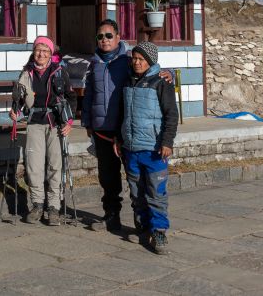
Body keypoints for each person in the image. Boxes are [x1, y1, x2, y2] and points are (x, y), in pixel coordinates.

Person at [82, 19, 173, 231]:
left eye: (108, 35)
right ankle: (111, 216)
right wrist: (87, 120)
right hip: (102, 129)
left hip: (126, 130)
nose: (104, 40)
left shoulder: (127, 60)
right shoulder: (94, 63)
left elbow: (150, 72)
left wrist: (168, 72)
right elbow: (88, 95)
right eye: (100, 36)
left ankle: (144, 224)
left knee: (137, 180)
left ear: (118, 37)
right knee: (108, 177)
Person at [118, 42, 178, 254]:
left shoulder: (162, 82)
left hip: (154, 149)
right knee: (136, 191)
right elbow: (121, 114)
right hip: (131, 148)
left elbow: (172, 115)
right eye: (134, 58)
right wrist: (120, 139)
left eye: (141, 59)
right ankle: (143, 227)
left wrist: (167, 142)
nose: (136, 62)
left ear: (150, 61)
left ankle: (159, 231)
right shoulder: (127, 82)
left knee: (156, 192)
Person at [11, 36, 73, 225]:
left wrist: (69, 122)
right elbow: (19, 100)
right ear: (33, 52)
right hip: (34, 123)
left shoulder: (60, 72)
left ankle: (53, 207)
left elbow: (71, 98)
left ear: (51, 54)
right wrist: (15, 112)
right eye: (38, 50)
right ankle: (37, 204)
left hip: (56, 123)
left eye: (46, 51)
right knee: (34, 166)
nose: (41, 54)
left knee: (55, 165)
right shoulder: (26, 73)